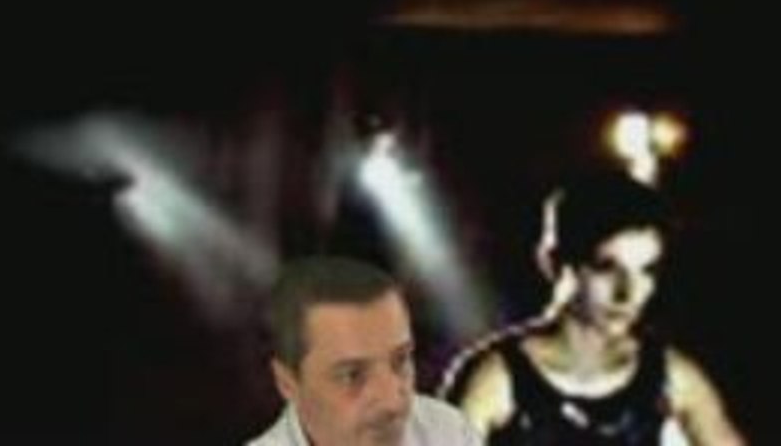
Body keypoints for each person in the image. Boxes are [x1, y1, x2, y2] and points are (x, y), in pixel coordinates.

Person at [438, 169, 745, 445]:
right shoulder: (494, 381)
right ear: (557, 264)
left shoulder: (673, 376)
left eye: (647, 271)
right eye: (606, 267)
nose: (627, 293)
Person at [249, 256, 482, 445]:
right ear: (288, 384)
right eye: (352, 375)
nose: (392, 402)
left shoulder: (449, 432)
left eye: (400, 360)